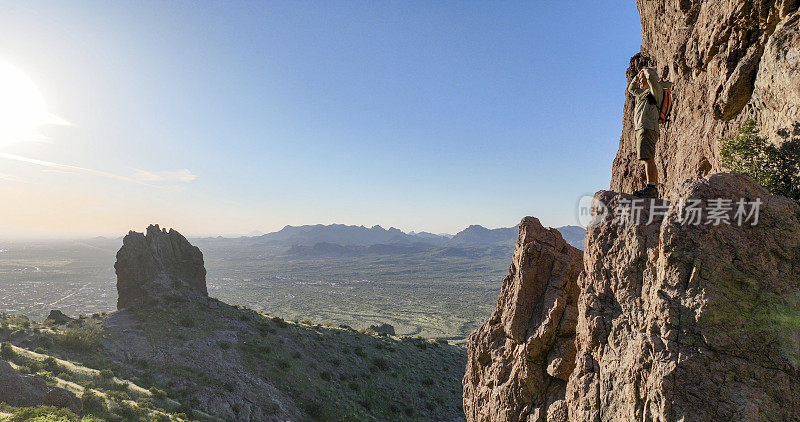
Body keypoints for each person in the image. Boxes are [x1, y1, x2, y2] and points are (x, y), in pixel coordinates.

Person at [627, 67, 672, 198]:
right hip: (642, 127)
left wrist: (646, 71)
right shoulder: (643, 93)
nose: (640, 81)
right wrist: (637, 75)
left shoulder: (655, 90)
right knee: (646, 157)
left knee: (648, 158)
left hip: (648, 127)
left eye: (642, 79)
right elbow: (631, 88)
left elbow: (652, 78)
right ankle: (651, 187)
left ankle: (651, 188)